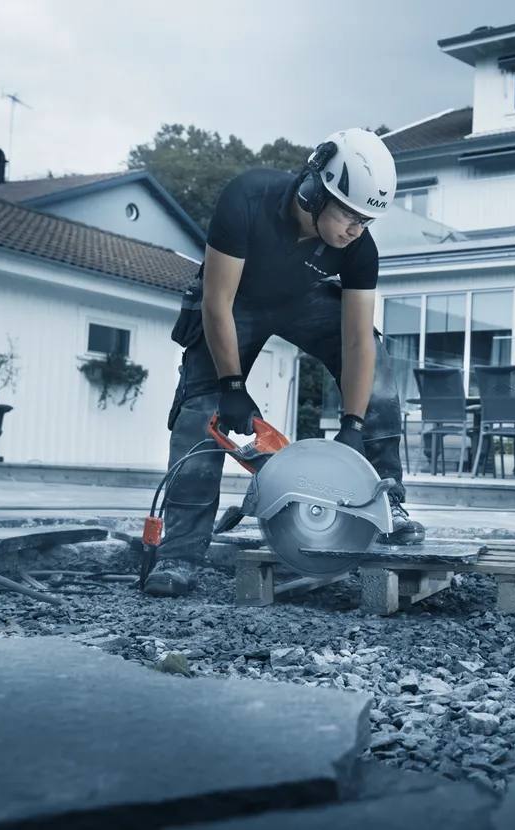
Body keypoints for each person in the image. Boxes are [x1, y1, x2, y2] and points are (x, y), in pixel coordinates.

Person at [144, 128, 424, 597]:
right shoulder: (247, 199)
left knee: (379, 368)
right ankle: (178, 555)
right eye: (350, 216)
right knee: (201, 414)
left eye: (366, 222)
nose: (356, 230)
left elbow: (357, 341)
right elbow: (217, 302)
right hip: (237, 297)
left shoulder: (359, 246)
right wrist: (232, 386)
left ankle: (385, 503)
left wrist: (354, 424)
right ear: (315, 190)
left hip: (304, 298)